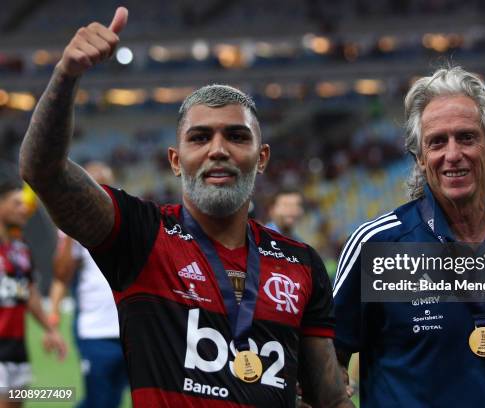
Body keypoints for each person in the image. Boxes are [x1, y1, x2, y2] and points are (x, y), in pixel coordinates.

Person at [19, 7, 352, 408]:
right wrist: (66, 75)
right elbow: (43, 172)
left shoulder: (302, 264)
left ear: (261, 158)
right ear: (176, 160)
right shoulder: (142, 235)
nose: (217, 150)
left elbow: (329, 399)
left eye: (235, 136)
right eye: (200, 137)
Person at [332, 66, 485, 407]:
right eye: (437, 142)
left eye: (467, 137)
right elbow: (326, 357)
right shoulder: (378, 244)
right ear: (419, 159)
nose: (452, 154)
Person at [48, 161, 128, 408]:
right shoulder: (75, 229)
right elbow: (61, 274)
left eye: (103, 183)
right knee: (98, 401)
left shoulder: (130, 223)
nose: (98, 191)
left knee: (115, 399)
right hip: (95, 331)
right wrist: (72, 230)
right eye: (91, 184)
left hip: (129, 329)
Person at [0, 175, 66, 408]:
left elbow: (29, 293)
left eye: (26, 205)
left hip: (17, 348)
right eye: (16, 203)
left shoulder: (21, 248)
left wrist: (50, 329)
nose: (24, 209)